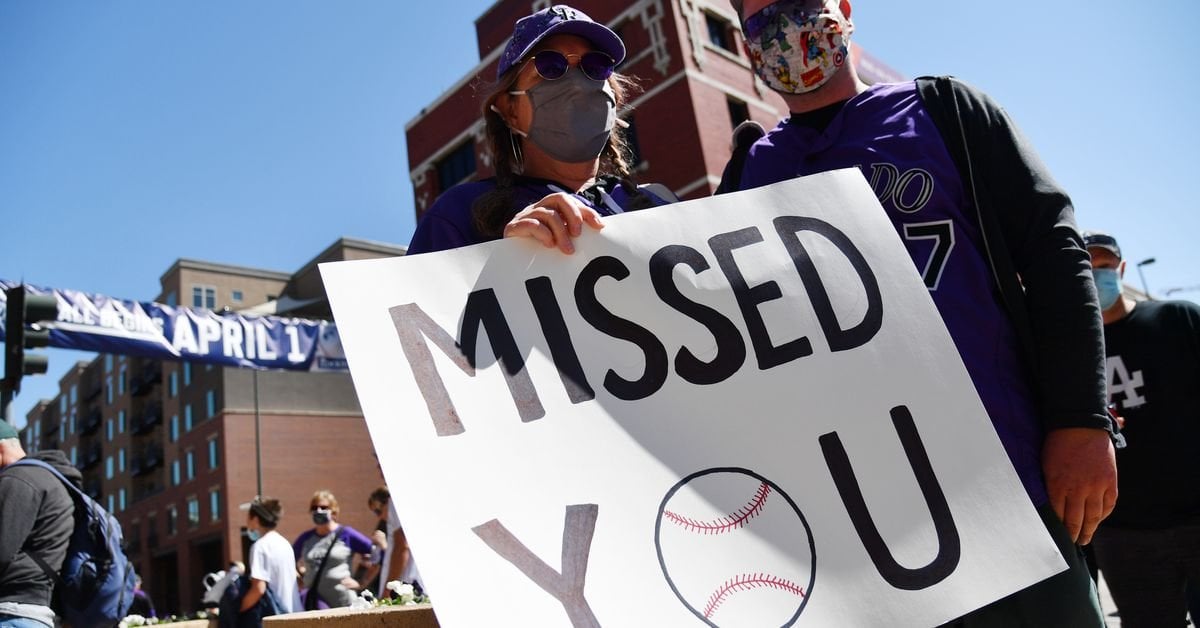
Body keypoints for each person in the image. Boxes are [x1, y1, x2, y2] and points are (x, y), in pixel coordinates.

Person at [721, 1, 1117, 624]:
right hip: (858, 520)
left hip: (1004, 478)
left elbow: (1053, 253)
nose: (782, 24)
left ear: (842, 9)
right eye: (759, 12)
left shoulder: (945, 110)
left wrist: (1081, 420)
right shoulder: (749, 169)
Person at [407, 4, 676, 257]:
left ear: (615, 99)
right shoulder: (459, 214)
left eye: (595, 66)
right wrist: (506, 261)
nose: (578, 83)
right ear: (510, 110)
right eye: (550, 67)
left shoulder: (660, 203)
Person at [1084, 230, 1200, 627]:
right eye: (1087, 268)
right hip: (1124, 534)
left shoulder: (1177, 319)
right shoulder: (1071, 352)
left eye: (1103, 267)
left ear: (1121, 268)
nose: (1097, 277)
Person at [0, 421, 78, 628]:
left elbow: (2, 550)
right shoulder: (50, 479)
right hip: (34, 611)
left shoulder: (17, 478)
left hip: (10, 613)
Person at [292, 490, 374, 609]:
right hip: (314, 602)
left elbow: (376, 554)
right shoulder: (306, 538)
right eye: (314, 508)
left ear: (334, 511)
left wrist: (362, 582)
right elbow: (290, 560)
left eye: (324, 507)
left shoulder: (346, 534)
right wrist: (300, 580)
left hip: (342, 601)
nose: (318, 511)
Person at [238, 496, 296, 617]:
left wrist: (237, 611)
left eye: (248, 517)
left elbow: (258, 589)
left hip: (278, 616)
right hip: (296, 611)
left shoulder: (260, 547)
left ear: (255, 519)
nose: (247, 522)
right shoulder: (284, 543)